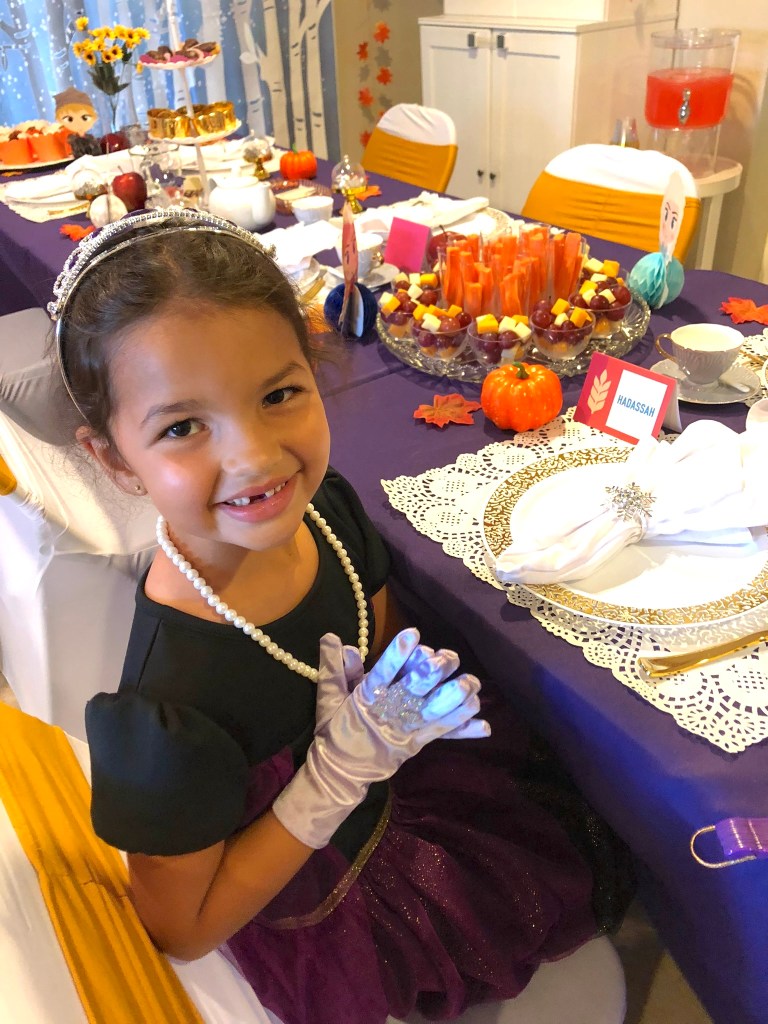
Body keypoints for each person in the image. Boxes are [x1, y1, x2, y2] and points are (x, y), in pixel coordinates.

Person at [49, 207, 633, 1024]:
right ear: (114, 458)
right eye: (183, 427)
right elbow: (181, 928)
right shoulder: (169, 708)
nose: (255, 456)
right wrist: (331, 778)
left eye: (280, 394)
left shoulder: (327, 508)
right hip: (313, 886)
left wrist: (396, 705)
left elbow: (385, 634)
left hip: (397, 790)